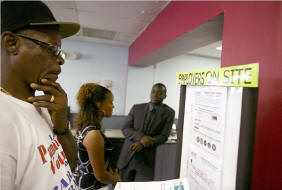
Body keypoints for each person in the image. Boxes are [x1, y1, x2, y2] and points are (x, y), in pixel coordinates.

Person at [0, 1, 80, 189]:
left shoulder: (40, 104)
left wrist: (62, 127)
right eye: (52, 48)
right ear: (11, 43)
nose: (61, 60)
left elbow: (67, 168)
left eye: (60, 51)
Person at [117, 83, 175, 181]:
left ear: (165, 96)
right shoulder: (137, 108)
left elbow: (164, 136)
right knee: (123, 186)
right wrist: (141, 137)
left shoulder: (169, 112)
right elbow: (126, 128)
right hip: (128, 156)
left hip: (146, 161)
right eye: (153, 91)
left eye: (160, 93)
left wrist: (143, 144)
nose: (155, 95)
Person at [74, 83, 121, 190]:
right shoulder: (93, 135)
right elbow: (101, 176)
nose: (113, 106)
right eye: (111, 102)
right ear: (98, 104)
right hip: (91, 187)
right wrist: (117, 179)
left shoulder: (85, 128)